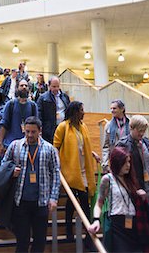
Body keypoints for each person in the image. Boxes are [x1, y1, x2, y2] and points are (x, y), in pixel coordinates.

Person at [88, 146, 149, 253]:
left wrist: (139, 195)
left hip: (133, 225)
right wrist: (96, 220)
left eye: (129, 162)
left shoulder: (130, 180)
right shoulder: (108, 179)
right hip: (117, 225)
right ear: (117, 162)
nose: (128, 165)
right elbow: (99, 203)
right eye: (125, 162)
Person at [4, 116, 60, 253]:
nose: (29, 135)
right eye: (27, 131)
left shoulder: (49, 149)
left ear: (39, 131)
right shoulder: (15, 146)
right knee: (22, 241)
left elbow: (56, 173)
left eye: (33, 132)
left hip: (41, 202)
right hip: (20, 201)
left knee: (39, 242)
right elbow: (3, 165)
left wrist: (53, 198)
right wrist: (11, 171)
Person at [53, 100, 100, 248]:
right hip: (70, 171)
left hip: (84, 170)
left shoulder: (83, 126)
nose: (83, 112)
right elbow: (55, 146)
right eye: (81, 110)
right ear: (74, 111)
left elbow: (82, 146)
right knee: (76, 201)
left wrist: (92, 153)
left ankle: (83, 234)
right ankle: (75, 231)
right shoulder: (63, 127)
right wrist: (57, 167)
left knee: (79, 202)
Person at [117, 115, 149, 241]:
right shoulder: (123, 145)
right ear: (131, 128)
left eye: (144, 130)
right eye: (140, 130)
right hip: (136, 195)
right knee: (140, 234)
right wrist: (134, 190)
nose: (142, 133)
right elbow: (120, 173)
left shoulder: (147, 143)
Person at [0, 79, 38, 156]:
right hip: (10, 144)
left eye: (26, 86)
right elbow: (4, 124)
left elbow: (37, 126)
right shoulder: (10, 104)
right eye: (21, 85)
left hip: (28, 145)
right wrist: (0, 143)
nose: (24, 87)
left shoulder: (33, 106)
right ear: (17, 88)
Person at [37, 76, 70, 143]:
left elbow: (69, 111)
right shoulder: (43, 98)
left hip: (64, 129)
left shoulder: (65, 97)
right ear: (49, 86)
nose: (56, 89)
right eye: (54, 86)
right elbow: (39, 114)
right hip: (49, 131)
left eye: (58, 86)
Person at [101, 100, 130, 172]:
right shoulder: (108, 125)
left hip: (129, 159)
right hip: (115, 160)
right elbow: (105, 146)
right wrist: (105, 164)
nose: (112, 111)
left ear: (122, 109)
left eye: (114, 108)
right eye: (111, 108)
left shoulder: (131, 123)